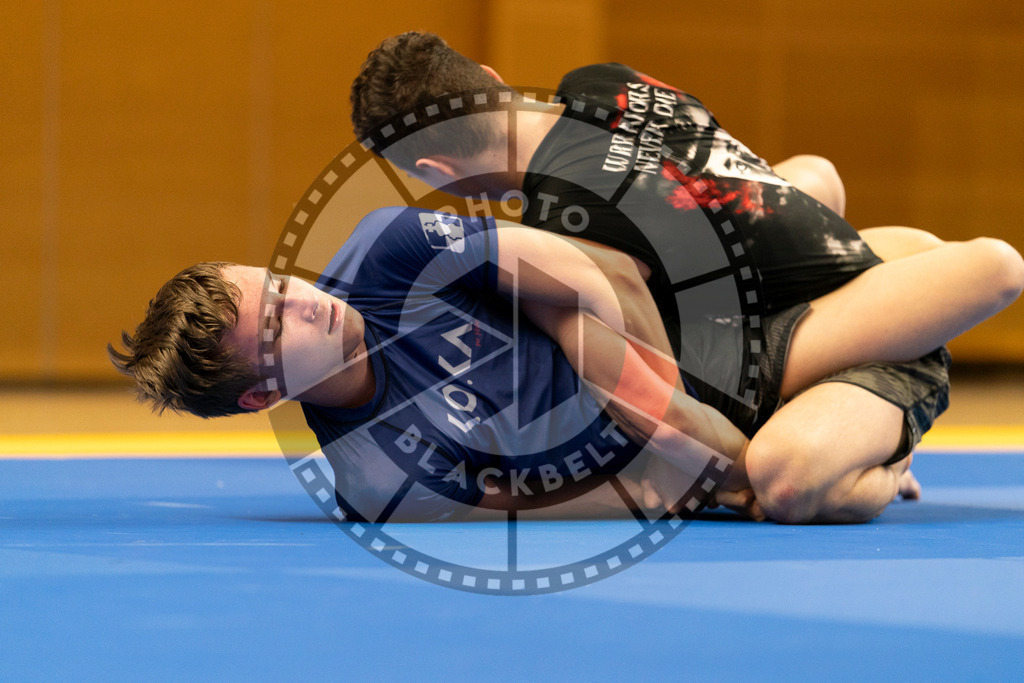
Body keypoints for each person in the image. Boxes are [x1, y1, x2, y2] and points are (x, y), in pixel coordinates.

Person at [347, 32, 1024, 521]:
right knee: (816, 174)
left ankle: (889, 447)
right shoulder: (599, 78)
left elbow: (659, 393)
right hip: (824, 256)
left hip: (821, 307)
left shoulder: (564, 228)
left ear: (433, 171)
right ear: (492, 79)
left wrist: (728, 481)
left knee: (785, 477)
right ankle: (879, 349)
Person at [110, 206, 1023, 525]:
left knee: (962, 257)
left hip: (696, 330)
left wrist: (638, 392)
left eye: (279, 280)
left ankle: (860, 321)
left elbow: (598, 275)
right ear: (267, 392)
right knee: (788, 484)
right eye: (278, 322)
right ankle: (886, 457)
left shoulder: (389, 251)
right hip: (705, 422)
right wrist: (716, 473)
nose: (304, 295)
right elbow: (583, 492)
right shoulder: (381, 480)